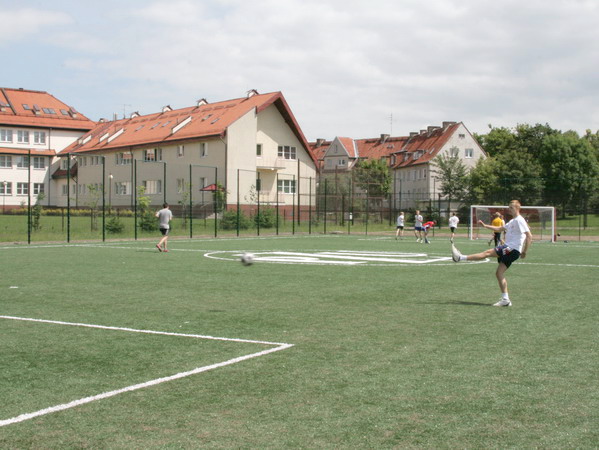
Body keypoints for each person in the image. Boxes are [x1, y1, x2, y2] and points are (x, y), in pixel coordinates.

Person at [451, 200, 532, 307]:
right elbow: (499, 228)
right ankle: (505, 299)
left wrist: (524, 251)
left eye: (511, 207)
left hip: (512, 248)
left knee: (488, 252)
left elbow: (529, 236)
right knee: (499, 273)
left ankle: (460, 258)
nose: (509, 209)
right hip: (511, 249)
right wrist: (485, 226)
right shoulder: (513, 221)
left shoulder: (520, 220)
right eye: (509, 207)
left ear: (517, 208)